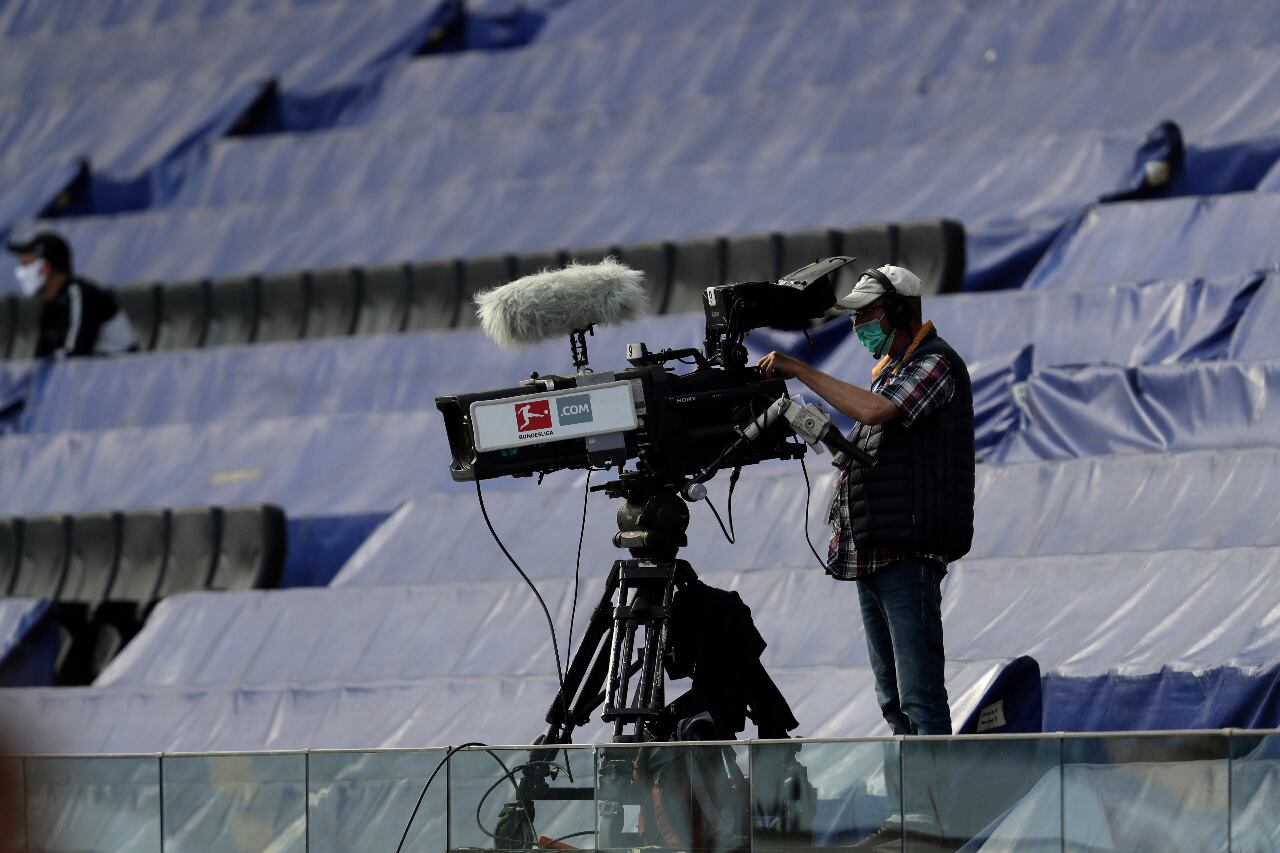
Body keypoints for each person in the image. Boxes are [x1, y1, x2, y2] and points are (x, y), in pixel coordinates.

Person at [757, 264, 974, 736]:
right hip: (872, 551)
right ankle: (912, 800)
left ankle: (933, 811)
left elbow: (877, 412)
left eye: (866, 314)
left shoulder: (935, 364)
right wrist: (820, 428)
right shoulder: (889, 375)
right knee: (893, 700)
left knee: (920, 697)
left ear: (898, 311)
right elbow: (863, 452)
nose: (858, 326)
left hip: (906, 552)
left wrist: (797, 369)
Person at [7, 231, 136, 358]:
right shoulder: (51, 303)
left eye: (26, 265)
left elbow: (76, 355)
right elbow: (43, 355)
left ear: (45, 269)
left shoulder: (82, 295)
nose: (20, 273)